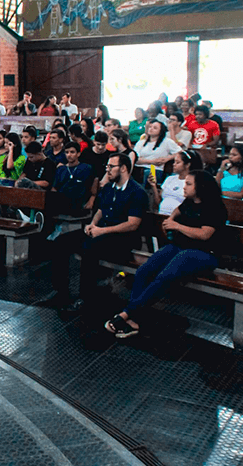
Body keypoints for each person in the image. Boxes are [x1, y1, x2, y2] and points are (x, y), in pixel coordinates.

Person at [104, 171, 227, 339]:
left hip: (204, 254)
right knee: (144, 271)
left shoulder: (215, 207)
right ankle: (134, 321)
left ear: (201, 187)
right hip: (180, 247)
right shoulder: (189, 202)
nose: (184, 186)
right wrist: (172, 220)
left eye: (189, 184)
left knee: (165, 276)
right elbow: (175, 213)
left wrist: (177, 226)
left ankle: (126, 314)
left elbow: (204, 235)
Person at [56, 153, 148, 310]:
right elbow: (100, 210)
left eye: (111, 167)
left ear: (124, 168)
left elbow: (132, 224)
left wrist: (102, 231)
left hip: (123, 239)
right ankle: (61, 292)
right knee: (61, 242)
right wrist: (92, 225)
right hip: (103, 232)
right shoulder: (109, 188)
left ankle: (86, 298)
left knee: (90, 247)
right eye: (107, 167)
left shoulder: (137, 192)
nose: (108, 170)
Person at [151, 150, 202, 215]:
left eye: (177, 162)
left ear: (187, 165)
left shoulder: (192, 182)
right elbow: (158, 202)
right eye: (174, 162)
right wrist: (153, 185)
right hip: (161, 215)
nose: (173, 164)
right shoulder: (169, 179)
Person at [52, 142, 96, 213]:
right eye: (67, 152)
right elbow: (54, 188)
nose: (69, 155)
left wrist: (92, 199)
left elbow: (94, 182)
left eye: (72, 152)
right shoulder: (61, 169)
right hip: (62, 204)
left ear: (78, 154)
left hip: (79, 204)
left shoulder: (86, 168)